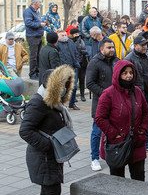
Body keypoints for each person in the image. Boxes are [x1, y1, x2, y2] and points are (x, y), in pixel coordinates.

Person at [19, 65, 76, 195]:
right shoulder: (38, 102)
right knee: (52, 191)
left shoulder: (55, 103)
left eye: (65, 85)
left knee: (48, 191)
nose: (64, 89)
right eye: (61, 85)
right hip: (43, 159)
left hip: (50, 158)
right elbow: (25, 131)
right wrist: (50, 145)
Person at [95, 60, 148, 180]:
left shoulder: (138, 92)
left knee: (139, 180)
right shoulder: (108, 94)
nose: (128, 76)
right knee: (118, 182)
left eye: (131, 72)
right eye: (124, 73)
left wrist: (143, 129)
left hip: (137, 142)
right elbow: (99, 118)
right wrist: (114, 134)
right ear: (118, 74)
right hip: (117, 144)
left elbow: (146, 112)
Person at [86, 37, 117, 172]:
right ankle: (94, 158)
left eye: (112, 47)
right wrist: (105, 94)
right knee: (97, 131)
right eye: (109, 48)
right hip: (100, 103)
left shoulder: (116, 61)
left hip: (116, 103)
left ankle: (113, 154)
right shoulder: (95, 63)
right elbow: (90, 83)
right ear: (101, 49)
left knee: (114, 130)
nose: (111, 50)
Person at [125, 35, 148, 152]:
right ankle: (145, 141)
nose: (145, 47)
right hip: (138, 94)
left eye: (146, 44)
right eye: (142, 45)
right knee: (139, 118)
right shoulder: (129, 59)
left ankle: (145, 139)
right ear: (135, 46)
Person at [23, 0, 46, 80]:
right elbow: (28, 23)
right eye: (40, 2)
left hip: (38, 35)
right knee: (33, 56)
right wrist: (40, 24)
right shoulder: (28, 12)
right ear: (35, 3)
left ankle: (38, 72)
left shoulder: (37, 12)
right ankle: (32, 74)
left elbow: (36, 21)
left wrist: (43, 22)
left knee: (38, 55)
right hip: (32, 36)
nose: (40, 4)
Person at [57, 30, 81, 110]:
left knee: (73, 87)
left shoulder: (70, 42)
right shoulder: (57, 44)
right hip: (63, 69)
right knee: (63, 87)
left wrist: (76, 63)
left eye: (65, 35)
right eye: (62, 35)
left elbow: (76, 53)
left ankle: (72, 103)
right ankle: (62, 103)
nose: (64, 37)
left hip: (73, 67)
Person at [69, 28, 89, 102]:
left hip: (82, 62)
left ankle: (82, 95)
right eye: (76, 34)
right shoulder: (70, 42)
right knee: (74, 80)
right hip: (74, 63)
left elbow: (85, 50)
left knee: (82, 79)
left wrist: (83, 52)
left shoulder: (81, 41)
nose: (78, 35)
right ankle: (73, 97)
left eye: (78, 34)